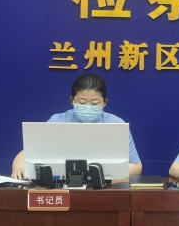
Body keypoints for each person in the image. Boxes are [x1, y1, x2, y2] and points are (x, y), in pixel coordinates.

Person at [11, 74, 142, 179]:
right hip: (62, 186)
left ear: (105, 102)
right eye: (82, 102)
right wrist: (19, 169)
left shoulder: (116, 124)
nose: (88, 107)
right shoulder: (58, 121)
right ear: (72, 101)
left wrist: (104, 177)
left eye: (95, 103)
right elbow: (28, 152)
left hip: (105, 188)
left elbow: (136, 166)